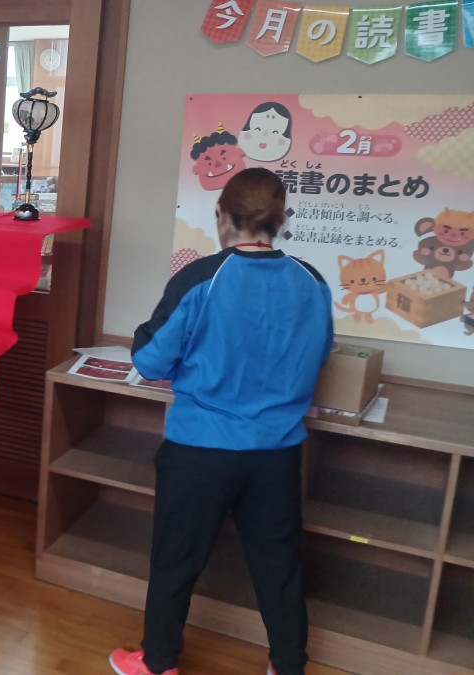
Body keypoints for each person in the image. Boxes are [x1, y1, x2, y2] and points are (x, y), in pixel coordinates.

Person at [109, 168, 333, 675]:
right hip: (277, 452)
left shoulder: (201, 277)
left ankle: (158, 662)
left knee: (176, 559)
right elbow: (318, 355)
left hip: (200, 450)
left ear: (221, 214)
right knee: (279, 564)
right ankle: (288, 666)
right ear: (280, 219)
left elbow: (151, 362)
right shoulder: (312, 281)